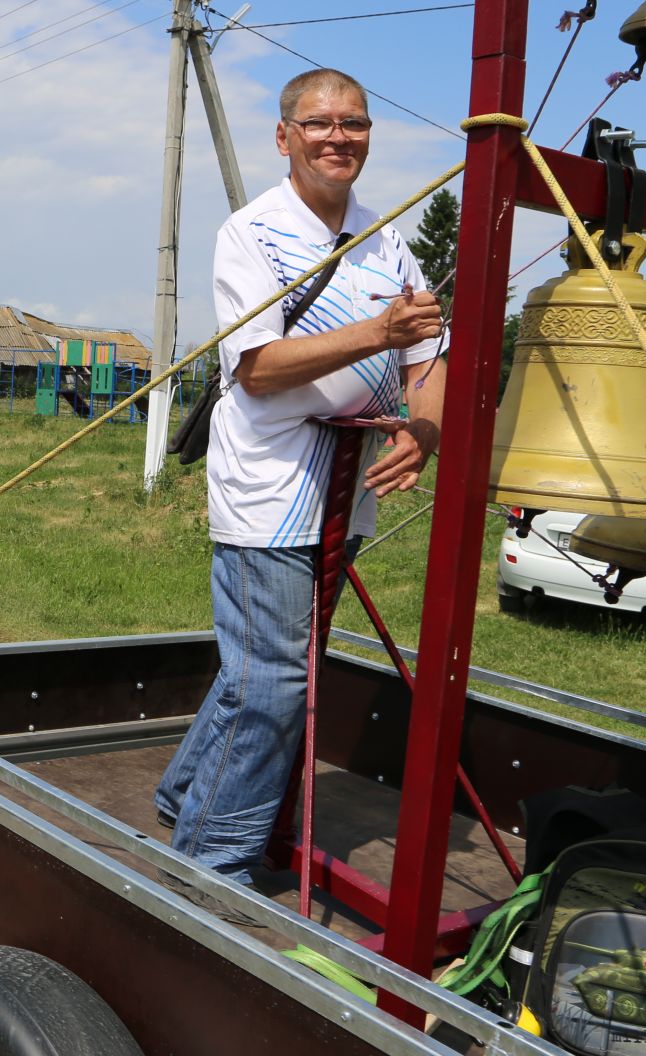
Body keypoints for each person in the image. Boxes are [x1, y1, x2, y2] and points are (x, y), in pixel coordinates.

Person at [154, 68, 446, 891]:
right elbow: (257, 366)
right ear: (284, 136)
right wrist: (377, 330)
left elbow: (431, 356)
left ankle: (186, 798)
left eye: (354, 124)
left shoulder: (389, 238)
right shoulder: (253, 233)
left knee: (271, 671)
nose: (337, 137)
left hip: (345, 492)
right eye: (318, 123)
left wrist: (424, 431)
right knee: (274, 683)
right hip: (272, 492)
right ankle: (216, 863)